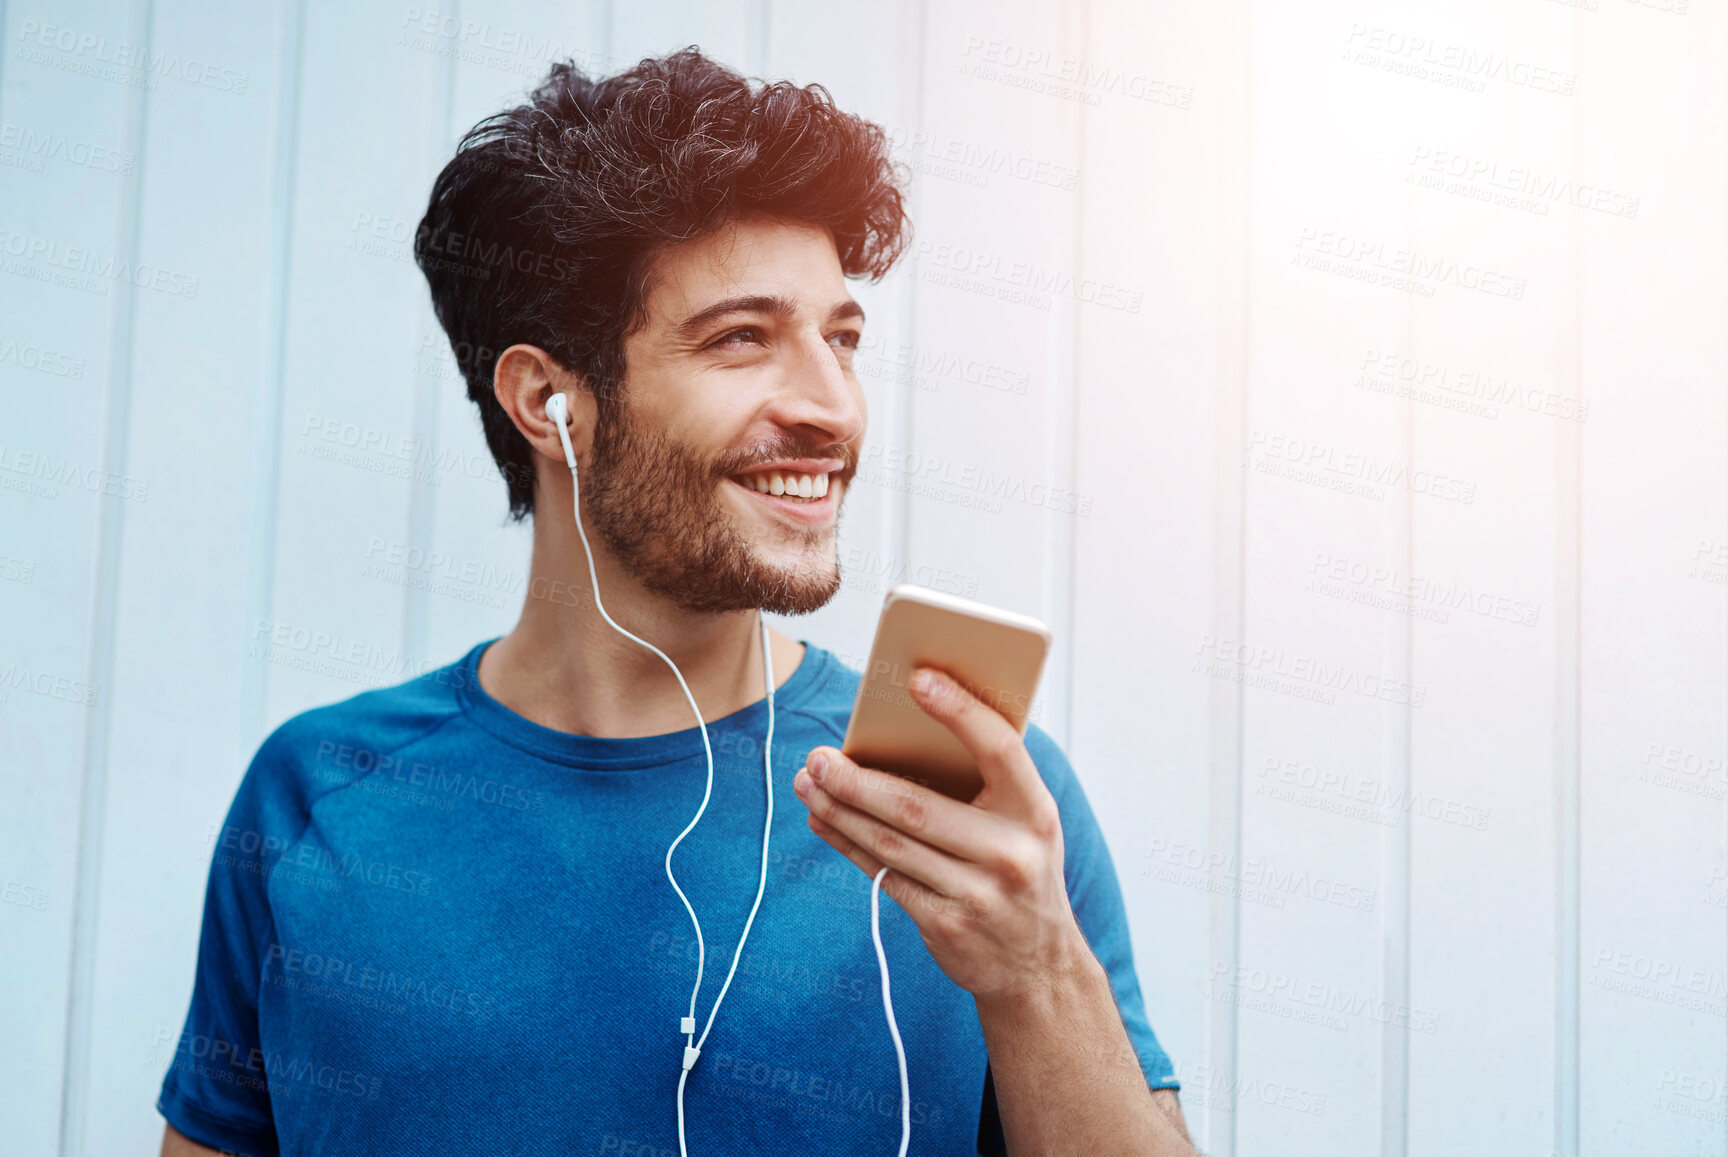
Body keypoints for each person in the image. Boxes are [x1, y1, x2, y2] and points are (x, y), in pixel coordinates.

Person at [158, 47, 1192, 1157]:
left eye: (841, 339)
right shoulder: (315, 796)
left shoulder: (972, 805)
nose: (832, 405)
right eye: (743, 337)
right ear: (549, 401)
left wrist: (1037, 972)